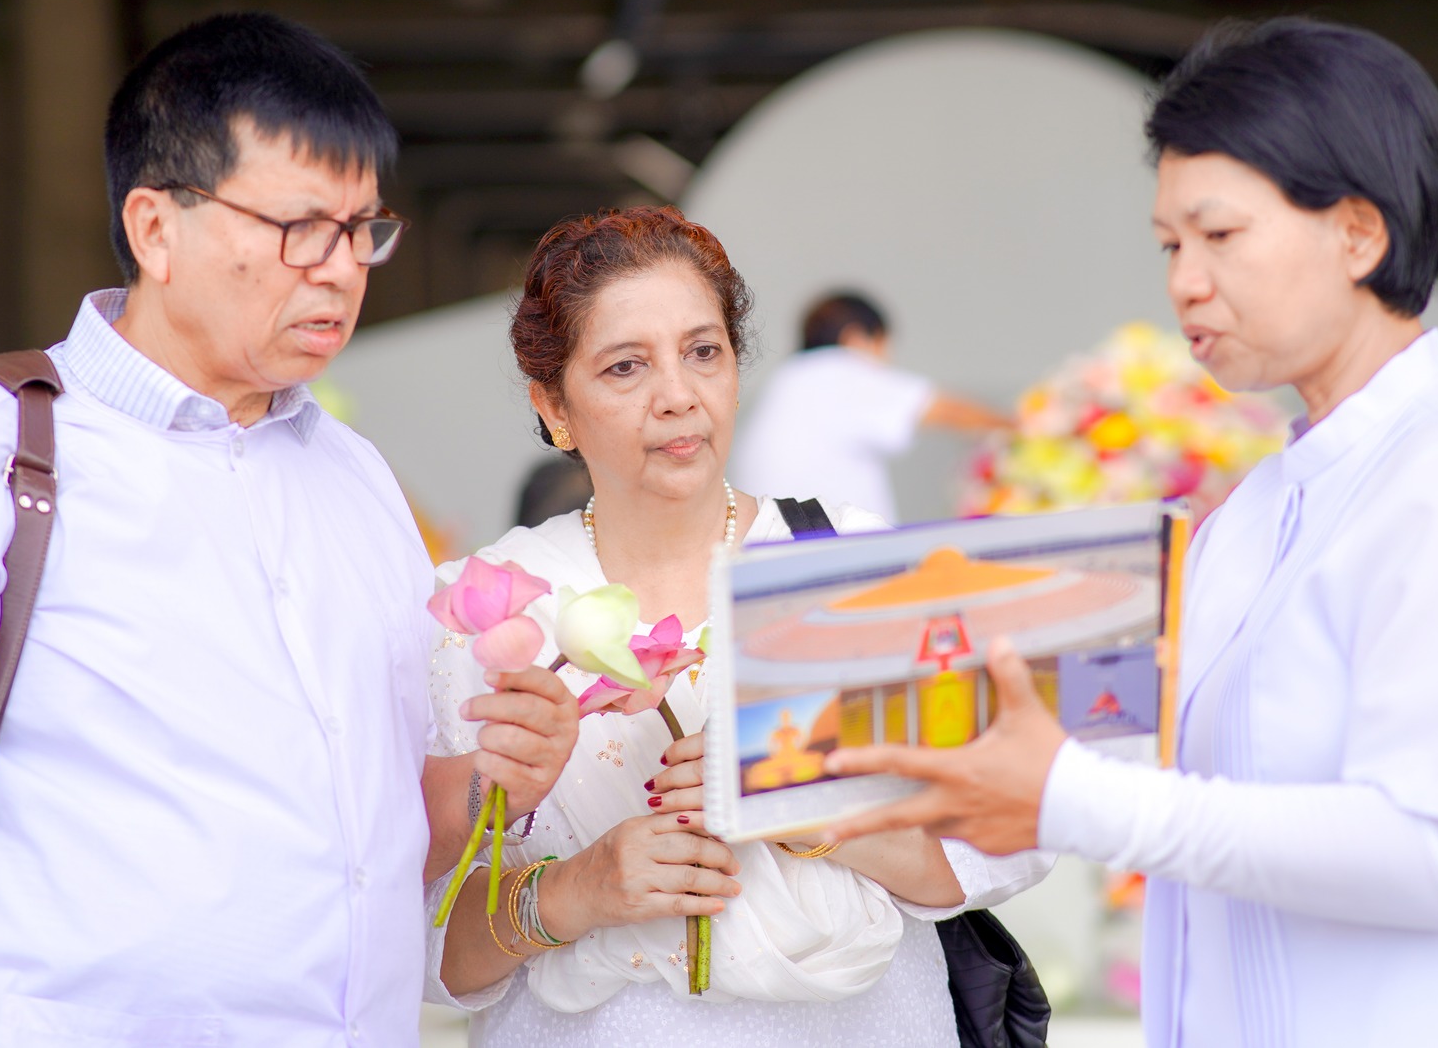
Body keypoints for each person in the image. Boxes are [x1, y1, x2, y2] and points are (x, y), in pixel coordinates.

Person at [0, 13, 577, 1048]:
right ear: (154, 228)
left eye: (363, 229)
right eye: (299, 228)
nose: (340, 268)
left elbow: (364, 836)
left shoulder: (356, 480)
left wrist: (486, 780)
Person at [823, 19, 1438, 1047]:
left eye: (1218, 235)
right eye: (1169, 244)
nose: (1183, 283)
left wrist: (1081, 800)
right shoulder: (1255, 511)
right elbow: (1099, 761)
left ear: (1356, 233)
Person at [428, 207, 1048, 1046]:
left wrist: (812, 807)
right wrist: (578, 888)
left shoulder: (850, 560)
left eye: (703, 351)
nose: (677, 396)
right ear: (554, 406)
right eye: (624, 366)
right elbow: (430, 955)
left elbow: (997, 843)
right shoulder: (492, 610)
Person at [733, 292, 1011, 521]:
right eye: (883, 346)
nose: (886, 363)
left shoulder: (785, 381)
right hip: (834, 555)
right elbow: (948, 411)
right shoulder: (841, 369)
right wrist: (1024, 426)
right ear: (856, 338)